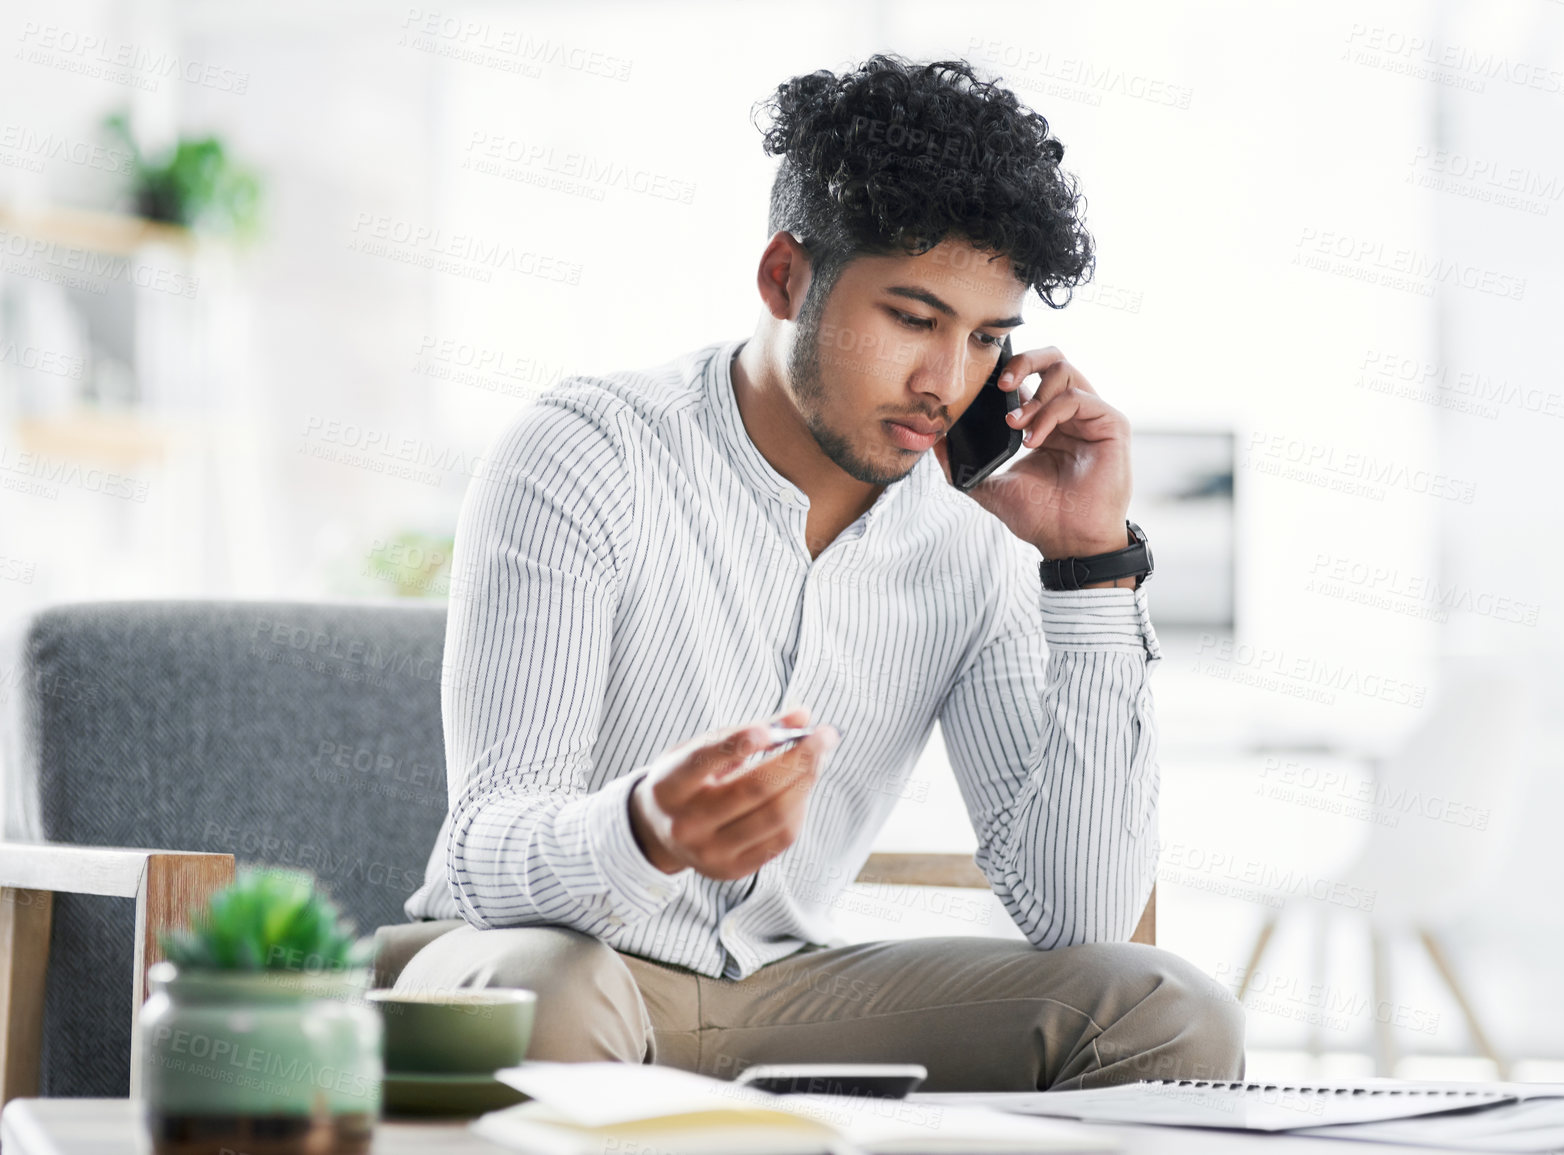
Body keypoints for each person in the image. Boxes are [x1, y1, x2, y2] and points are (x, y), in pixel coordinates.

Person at [380, 52, 1244, 1092]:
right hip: (548, 960)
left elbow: (1084, 918)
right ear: (785, 276)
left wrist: (1087, 563)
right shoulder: (588, 453)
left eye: (985, 340)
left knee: (1169, 1013)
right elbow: (480, 850)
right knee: (556, 998)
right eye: (913, 320)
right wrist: (644, 830)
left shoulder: (980, 531)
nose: (944, 383)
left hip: (786, 995)